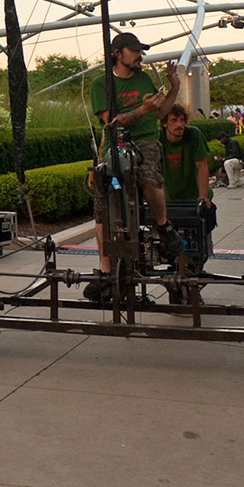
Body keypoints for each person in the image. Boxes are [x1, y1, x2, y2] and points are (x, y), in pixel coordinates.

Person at [87, 32, 185, 296]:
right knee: (102, 204)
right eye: (134, 51)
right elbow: (111, 122)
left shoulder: (143, 78)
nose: (140, 55)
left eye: (140, 50)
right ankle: (106, 272)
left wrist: (173, 87)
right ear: (118, 53)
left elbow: (161, 113)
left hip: (145, 140)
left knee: (148, 176)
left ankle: (163, 226)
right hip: (115, 143)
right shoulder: (101, 84)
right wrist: (142, 109)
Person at [158, 105, 211, 206]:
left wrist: (203, 197)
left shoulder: (193, 134)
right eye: (174, 120)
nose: (179, 124)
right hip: (168, 196)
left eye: (182, 120)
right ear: (165, 123)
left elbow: (202, 167)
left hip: (194, 195)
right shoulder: (158, 138)